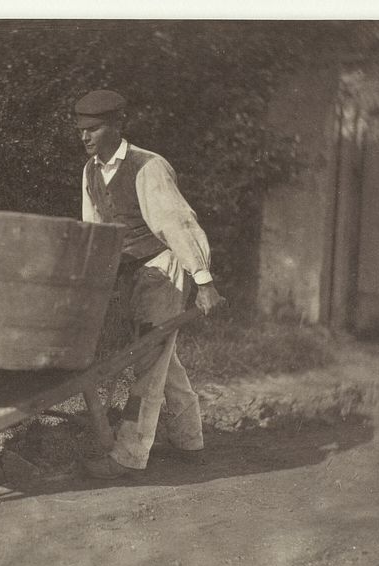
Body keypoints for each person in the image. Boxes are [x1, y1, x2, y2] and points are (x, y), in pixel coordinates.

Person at [74, 89, 226, 479]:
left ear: (117, 126)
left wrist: (203, 280)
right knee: (160, 358)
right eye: (81, 130)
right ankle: (190, 440)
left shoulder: (148, 167)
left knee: (148, 365)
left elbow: (177, 223)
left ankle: (128, 456)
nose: (85, 137)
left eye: (94, 129)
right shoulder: (90, 170)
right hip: (130, 274)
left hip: (162, 267)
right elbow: (96, 232)